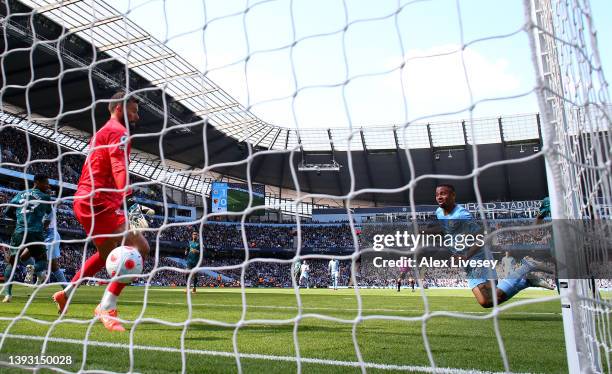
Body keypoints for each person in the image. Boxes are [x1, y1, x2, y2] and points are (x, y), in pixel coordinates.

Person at [52, 91, 152, 332]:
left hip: (87, 201)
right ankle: (106, 306)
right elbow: (118, 167)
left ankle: (65, 292)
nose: (136, 117)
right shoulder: (119, 132)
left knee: (104, 254)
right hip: (99, 203)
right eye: (134, 111)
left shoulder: (102, 132)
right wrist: (130, 202)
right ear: (119, 108)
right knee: (141, 248)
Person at [435, 184, 553, 308]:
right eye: (437, 194)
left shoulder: (462, 215)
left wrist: (466, 255)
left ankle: (525, 269)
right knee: (487, 301)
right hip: (467, 261)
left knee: (489, 298)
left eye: (443, 193)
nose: (439, 197)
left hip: (477, 257)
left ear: (453, 195)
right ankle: (525, 280)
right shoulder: (439, 212)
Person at [1, 174, 52, 302]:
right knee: (42, 261)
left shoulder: (20, 194)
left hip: (19, 231)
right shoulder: (45, 197)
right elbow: (48, 215)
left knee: (12, 263)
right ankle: (33, 269)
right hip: (35, 232)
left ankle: (8, 294)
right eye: (45, 183)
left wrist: (18, 219)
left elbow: (7, 211)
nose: (48, 186)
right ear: (37, 182)